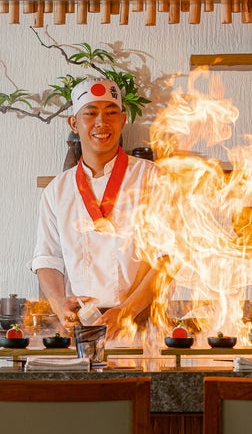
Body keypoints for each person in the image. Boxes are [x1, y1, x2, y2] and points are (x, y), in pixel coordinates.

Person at [31, 77, 163, 338]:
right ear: (74, 123)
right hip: (79, 326)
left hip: (139, 324)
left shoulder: (151, 178)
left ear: (122, 121)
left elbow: (167, 259)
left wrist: (126, 311)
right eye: (90, 114)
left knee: (138, 381)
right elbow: (47, 259)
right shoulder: (57, 190)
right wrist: (59, 305)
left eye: (111, 113)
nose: (101, 123)